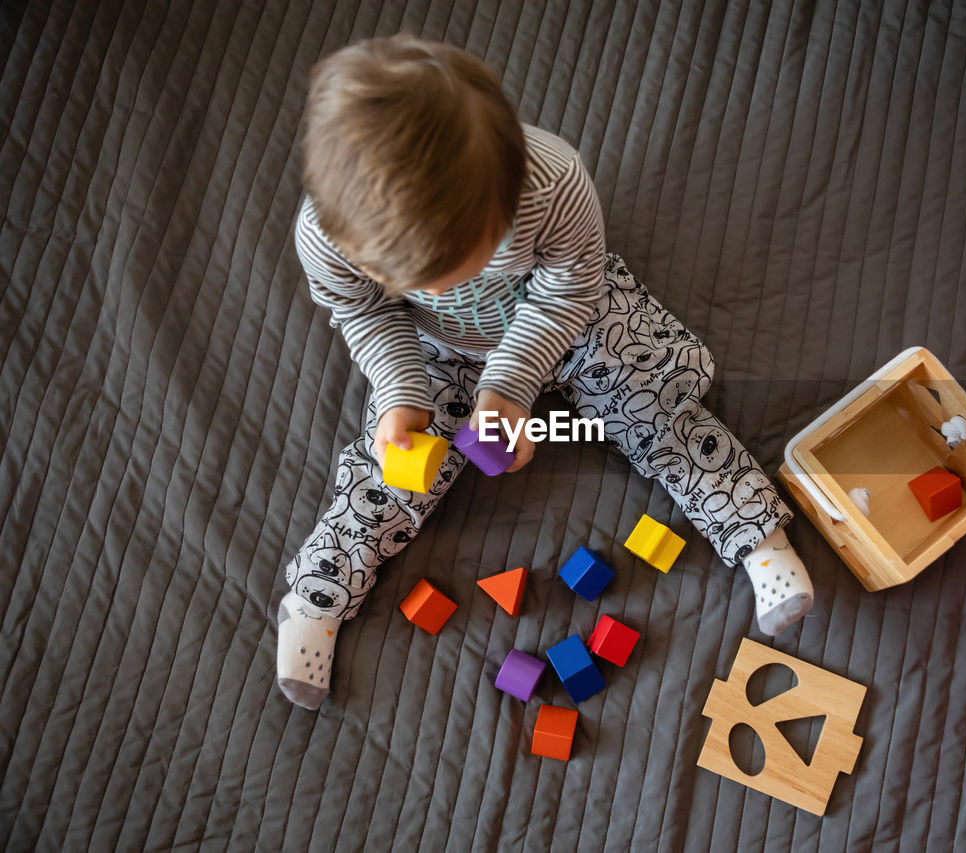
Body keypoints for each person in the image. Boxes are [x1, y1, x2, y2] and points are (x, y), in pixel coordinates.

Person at [277, 35, 813, 710]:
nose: (450, 286)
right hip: (433, 354)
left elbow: (568, 290)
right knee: (391, 471)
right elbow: (363, 315)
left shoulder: (552, 181)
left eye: (467, 264)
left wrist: (509, 387)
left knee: (655, 407)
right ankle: (317, 596)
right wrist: (399, 396)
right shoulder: (325, 234)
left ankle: (756, 534)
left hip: (566, 317)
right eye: (420, 279)